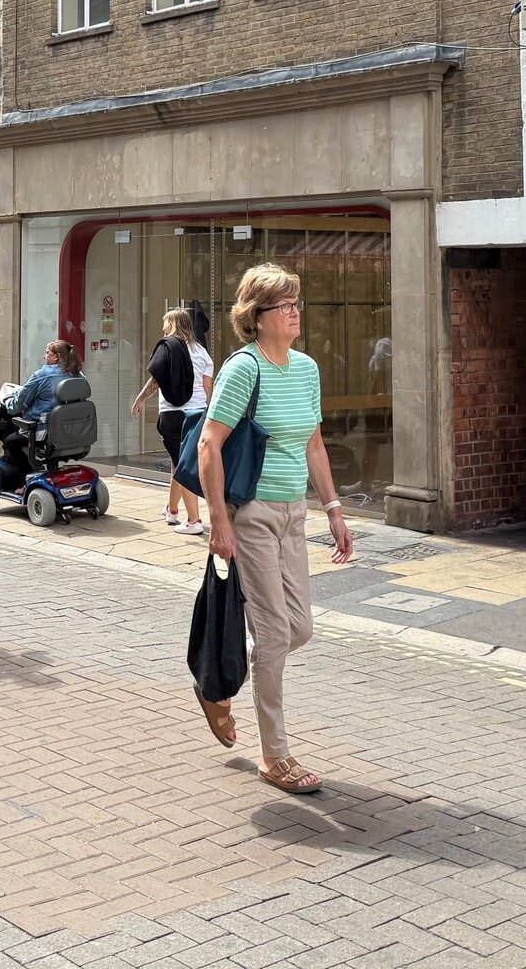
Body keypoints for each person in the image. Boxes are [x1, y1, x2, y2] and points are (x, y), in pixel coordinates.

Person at [195, 262, 354, 795]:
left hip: (293, 513)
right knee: (275, 633)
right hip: (253, 515)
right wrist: (219, 520)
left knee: (298, 628)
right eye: (284, 306)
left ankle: (219, 681)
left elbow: (313, 443)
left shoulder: (306, 368)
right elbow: (208, 444)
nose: (294, 313)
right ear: (257, 318)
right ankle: (275, 756)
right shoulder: (246, 368)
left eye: (296, 304)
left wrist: (332, 508)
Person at [131, 308, 212, 534]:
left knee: (183, 465)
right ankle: (172, 510)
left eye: (166, 323)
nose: (164, 327)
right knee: (179, 463)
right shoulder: (202, 352)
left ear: (174, 325)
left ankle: (194, 520)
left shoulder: (168, 347)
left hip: (173, 415)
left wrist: (140, 399)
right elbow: (207, 387)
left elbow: (156, 381)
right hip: (197, 413)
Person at [3, 340, 81, 476]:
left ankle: (24, 480)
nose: (44, 356)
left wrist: (9, 403)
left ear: (56, 357)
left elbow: (19, 403)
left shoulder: (42, 375)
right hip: (70, 431)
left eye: (47, 353)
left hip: (44, 433)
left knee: (11, 442)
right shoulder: (77, 375)